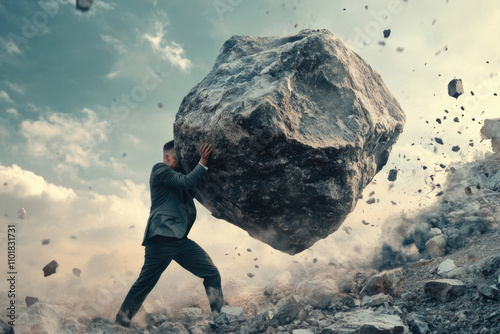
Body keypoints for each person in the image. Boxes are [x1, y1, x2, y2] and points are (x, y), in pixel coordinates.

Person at [115, 141, 223, 327]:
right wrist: (203, 160)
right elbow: (188, 181)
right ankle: (121, 322)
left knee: (211, 273)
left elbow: (193, 185)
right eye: (177, 158)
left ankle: (220, 316)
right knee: (145, 283)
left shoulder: (178, 176)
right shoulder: (160, 170)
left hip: (180, 240)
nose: (180, 163)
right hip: (161, 237)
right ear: (167, 157)